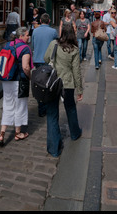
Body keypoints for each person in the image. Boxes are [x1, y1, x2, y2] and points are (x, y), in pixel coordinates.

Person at [44, 25, 83, 157]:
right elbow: (76, 71)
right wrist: (80, 89)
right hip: (67, 83)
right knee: (70, 109)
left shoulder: (53, 44)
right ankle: (75, 133)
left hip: (53, 82)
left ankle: (54, 148)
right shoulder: (74, 49)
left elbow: (45, 58)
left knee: (52, 113)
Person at [0, 27, 33, 146]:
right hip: (19, 81)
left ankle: (2, 133)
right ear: (21, 36)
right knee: (20, 106)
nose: (28, 37)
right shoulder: (25, 48)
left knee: (7, 104)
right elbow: (25, 67)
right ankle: (18, 133)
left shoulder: (8, 45)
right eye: (27, 35)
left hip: (7, 80)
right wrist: (30, 77)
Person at [32, 13, 58, 116]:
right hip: (48, 61)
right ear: (49, 21)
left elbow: (33, 45)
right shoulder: (53, 31)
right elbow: (56, 45)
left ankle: (41, 107)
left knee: (39, 84)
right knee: (48, 84)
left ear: (40, 21)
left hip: (38, 60)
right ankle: (47, 106)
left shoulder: (35, 31)